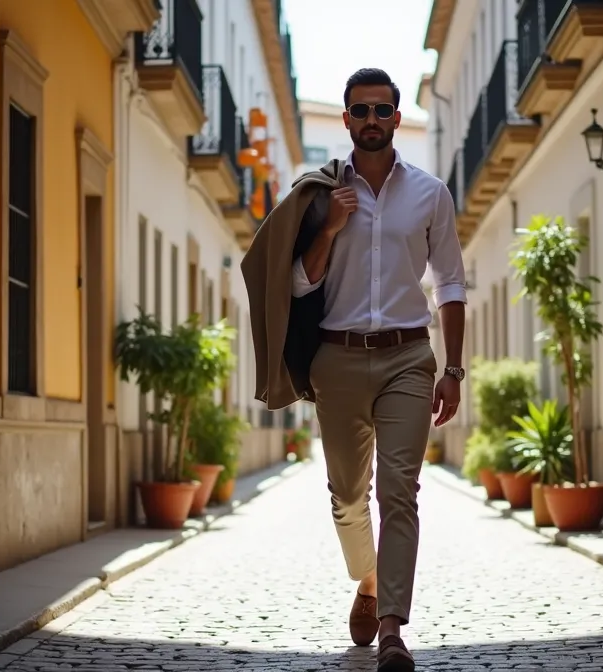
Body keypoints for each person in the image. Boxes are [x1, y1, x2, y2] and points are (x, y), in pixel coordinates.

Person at [240, 67, 467, 672]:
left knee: (400, 492)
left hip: (408, 358)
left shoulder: (430, 194)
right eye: (360, 111)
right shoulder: (316, 196)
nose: (372, 121)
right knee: (346, 496)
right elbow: (293, 283)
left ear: (396, 118)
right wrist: (331, 230)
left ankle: (392, 626)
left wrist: (454, 369)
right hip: (335, 360)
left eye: (382, 111)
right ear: (346, 121)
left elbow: (449, 282)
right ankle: (368, 581)